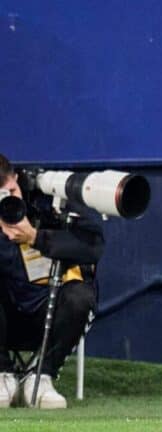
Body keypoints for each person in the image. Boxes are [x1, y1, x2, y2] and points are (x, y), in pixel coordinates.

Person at [0, 155, 103, 409]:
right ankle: (3, 374)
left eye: (12, 191)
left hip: (51, 316)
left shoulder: (46, 203)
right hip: (5, 317)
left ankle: (42, 375)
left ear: (17, 179)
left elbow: (93, 247)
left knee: (81, 296)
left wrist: (35, 237)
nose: (10, 201)